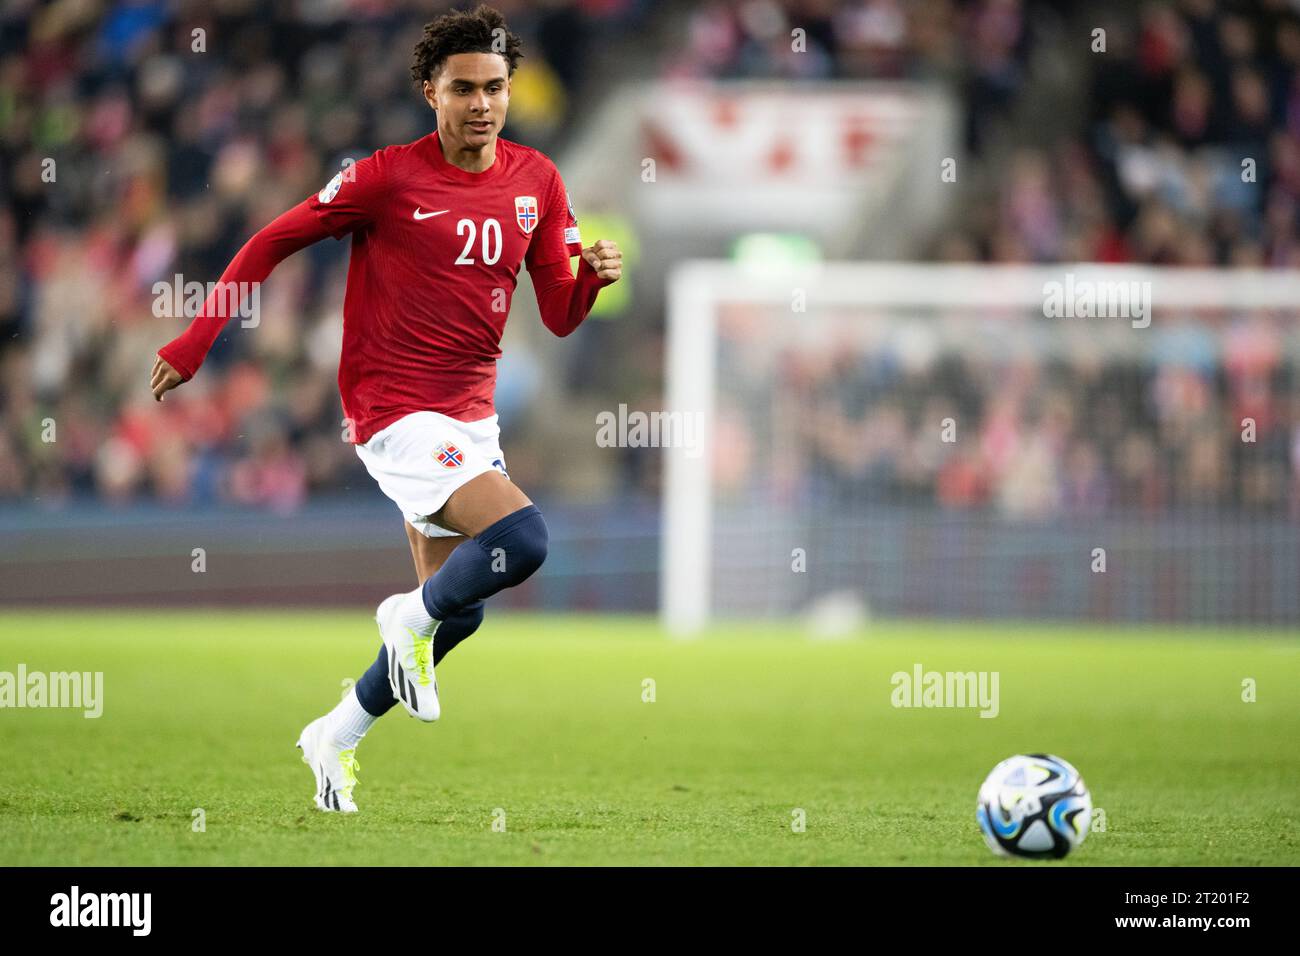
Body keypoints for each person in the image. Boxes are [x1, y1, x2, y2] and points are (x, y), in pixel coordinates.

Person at [150, 4, 622, 812]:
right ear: (429, 92)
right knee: (524, 537)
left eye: (496, 88)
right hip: (394, 410)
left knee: (461, 612)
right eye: (464, 88)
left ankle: (334, 733)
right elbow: (272, 239)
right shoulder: (384, 179)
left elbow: (557, 314)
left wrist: (590, 280)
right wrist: (195, 342)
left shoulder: (538, 181)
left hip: (471, 417)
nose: (482, 104)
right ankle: (403, 615)